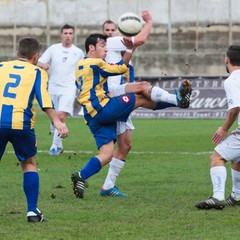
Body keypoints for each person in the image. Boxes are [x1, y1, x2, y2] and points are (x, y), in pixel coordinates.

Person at [70, 33, 192, 199]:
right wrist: (129, 48)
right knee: (141, 96)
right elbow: (121, 68)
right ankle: (177, 100)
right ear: (91, 48)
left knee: (106, 154)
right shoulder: (96, 62)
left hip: (91, 116)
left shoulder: (80, 64)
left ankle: (81, 176)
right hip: (104, 108)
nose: (105, 49)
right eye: (102, 46)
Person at [0, 37, 69, 222]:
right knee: (29, 164)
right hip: (21, 125)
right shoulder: (38, 72)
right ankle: (32, 211)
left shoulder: (1, 67)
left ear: (17, 53)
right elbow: (44, 100)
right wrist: (57, 122)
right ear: (36, 56)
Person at [100, 10, 156, 197]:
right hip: (114, 97)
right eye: (106, 30)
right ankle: (177, 99)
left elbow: (129, 54)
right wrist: (148, 22)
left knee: (125, 145)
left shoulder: (115, 47)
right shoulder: (110, 43)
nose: (109, 32)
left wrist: (131, 48)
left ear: (117, 29)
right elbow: (141, 40)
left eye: (112, 29)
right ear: (103, 32)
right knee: (144, 91)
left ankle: (108, 186)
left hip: (118, 93)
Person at [195, 45, 240, 210]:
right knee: (237, 158)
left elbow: (235, 108)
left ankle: (218, 197)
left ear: (226, 60)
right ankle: (236, 196)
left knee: (217, 157)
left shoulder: (233, 80)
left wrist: (224, 128)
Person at [37, 24, 84, 156]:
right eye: (65, 33)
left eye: (70, 33)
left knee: (61, 115)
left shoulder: (78, 52)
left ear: (73, 35)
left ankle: (54, 146)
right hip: (53, 87)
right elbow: (39, 62)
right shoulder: (53, 49)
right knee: (54, 117)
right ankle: (59, 144)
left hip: (69, 87)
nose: (68, 36)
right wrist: (43, 65)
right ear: (61, 35)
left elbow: (82, 70)